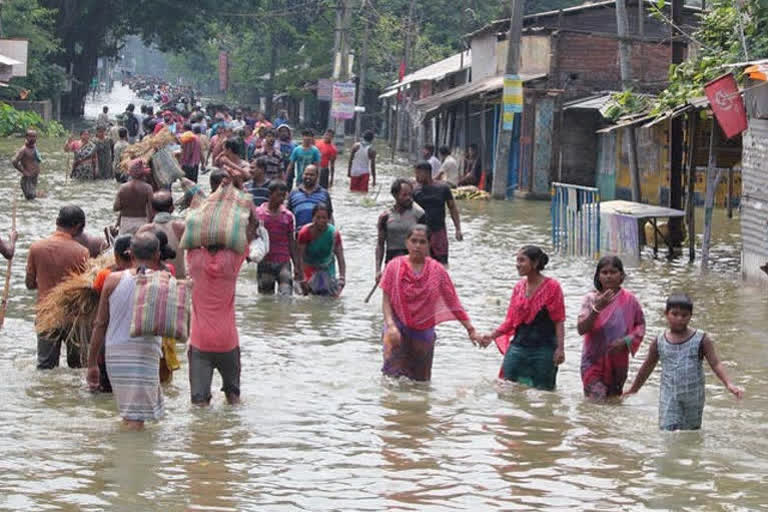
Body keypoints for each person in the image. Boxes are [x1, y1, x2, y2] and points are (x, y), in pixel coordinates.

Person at [624, 294, 744, 431]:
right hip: (669, 396)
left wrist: (729, 383)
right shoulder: (659, 341)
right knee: (667, 431)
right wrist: (634, 389)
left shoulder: (701, 339)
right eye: (674, 314)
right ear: (666, 314)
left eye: (684, 315)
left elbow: (715, 363)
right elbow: (647, 366)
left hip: (694, 396)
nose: (679, 319)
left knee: (690, 433)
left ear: (690, 316)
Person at [86, 233, 165, 430]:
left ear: (130, 253)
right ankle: (132, 458)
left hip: (116, 353)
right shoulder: (163, 281)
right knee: (136, 419)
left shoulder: (112, 280)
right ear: (157, 254)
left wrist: (92, 363)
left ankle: (123, 454)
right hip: (146, 353)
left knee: (129, 414)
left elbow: (100, 323)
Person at [379, 224, 478, 381]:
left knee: (420, 381)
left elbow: (453, 303)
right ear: (406, 243)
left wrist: (470, 329)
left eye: (422, 242)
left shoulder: (437, 271)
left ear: (429, 244)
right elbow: (386, 300)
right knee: (391, 378)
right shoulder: (394, 266)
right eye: (414, 241)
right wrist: (390, 325)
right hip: (396, 328)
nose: (417, 245)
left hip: (423, 331)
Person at [186, 211, 259, 406]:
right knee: (234, 399)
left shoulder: (194, 260)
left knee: (199, 405)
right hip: (228, 341)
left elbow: (190, 230)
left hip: (200, 341)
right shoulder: (232, 260)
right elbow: (252, 229)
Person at [479, 246, 565, 391]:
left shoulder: (553, 287)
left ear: (535, 263)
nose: (517, 264)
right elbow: (511, 321)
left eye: (522, 260)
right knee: (506, 388)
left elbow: (559, 320)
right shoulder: (518, 288)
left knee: (544, 393)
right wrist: (491, 336)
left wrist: (560, 349)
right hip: (518, 347)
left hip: (544, 349)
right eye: (517, 260)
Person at [26, 206, 90, 369]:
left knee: (45, 366)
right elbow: (85, 287)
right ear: (77, 226)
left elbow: (30, 284)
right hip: (73, 316)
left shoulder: (36, 248)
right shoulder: (82, 252)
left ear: (57, 222)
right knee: (78, 367)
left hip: (46, 314)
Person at [577, 256, 646, 400]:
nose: (608, 276)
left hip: (618, 362)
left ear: (621, 275)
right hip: (592, 361)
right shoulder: (590, 299)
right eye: (604, 272)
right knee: (596, 400)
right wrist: (597, 308)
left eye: (613, 272)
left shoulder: (630, 300)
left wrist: (626, 341)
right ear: (598, 276)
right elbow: (581, 329)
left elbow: (640, 326)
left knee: (613, 402)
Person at [92, 235, 133, 393]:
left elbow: (96, 296)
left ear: (115, 256)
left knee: (106, 389)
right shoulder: (148, 275)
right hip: (137, 341)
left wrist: (91, 362)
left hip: (110, 337)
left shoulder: (105, 275)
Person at [375, 178, 426, 281]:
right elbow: (380, 244)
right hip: (392, 262)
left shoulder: (419, 213)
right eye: (404, 195)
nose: (409, 198)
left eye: (410, 195)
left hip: (414, 262)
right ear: (395, 195)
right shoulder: (385, 217)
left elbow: (427, 243)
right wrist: (378, 270)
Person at [413, 161, 463, 265]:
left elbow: (452, 208)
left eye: (418, 173)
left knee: (442, 263)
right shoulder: (415, 190)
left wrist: (458, 229)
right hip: (421, 233)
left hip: (439, 231)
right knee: (421, 263)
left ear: (426, 173)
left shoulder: (443, 188)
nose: (416, 176)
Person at [255, 180, 300, 295]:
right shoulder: (259, 213)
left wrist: (297, 266)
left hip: (283, 262)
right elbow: (252, 236)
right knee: (265, 300)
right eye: (278, 195)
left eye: (283, 196)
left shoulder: (288, 216)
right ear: (270, 194)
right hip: (265, 262)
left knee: (286, 298)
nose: (281, 199)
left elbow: (292, 242)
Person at [296, 202, 346, 296]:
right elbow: (299, 258)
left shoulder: (334, 234)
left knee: (329, 296)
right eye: (318, 217)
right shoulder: (305, 233)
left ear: (329, 219)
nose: (321, 221)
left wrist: (342, 278)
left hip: (327, 268)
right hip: (308, 267)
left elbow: (340, 257)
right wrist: (302, 278)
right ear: (313, 218)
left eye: (324, 218)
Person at [145, 191, 187, 278]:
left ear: (152, 210)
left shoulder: (145, 230)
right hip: (178, 279)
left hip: (153, 280)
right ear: (172, 208)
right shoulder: (180, 227)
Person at [287, 165, 334, 231]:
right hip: (299, 234)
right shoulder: (293, 193)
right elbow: (287, 216)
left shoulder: (324, 194)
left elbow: (330, 216)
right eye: (306, 174)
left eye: (312, 175)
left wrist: (332, 233)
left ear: (317, 176)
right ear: (302, 175)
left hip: (319, 234)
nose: (308, 177)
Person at [114, 159, 153, 235]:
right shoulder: (148, 188)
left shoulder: (123, 188)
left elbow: (116, 208)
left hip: (126, 223)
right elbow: (151, 211)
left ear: (130, 173)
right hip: (142, 223)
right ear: (143, 174)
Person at [11, 129, 41, 200]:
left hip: (34, 177)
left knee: (32, 199)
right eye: (31, 136)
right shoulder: (23, 149)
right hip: (27, 178)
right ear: (26, 137)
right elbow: (14, 161)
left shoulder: (34, 147)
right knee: (31, 199)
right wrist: (23, 171)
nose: (33, 138)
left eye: (34, 136)